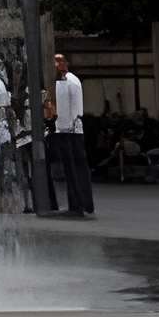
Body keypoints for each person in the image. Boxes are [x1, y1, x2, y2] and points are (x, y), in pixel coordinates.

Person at [53, 49, 95, 217]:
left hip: (69, 131)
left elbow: (67, 108)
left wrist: (63, 127)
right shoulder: (71, 80)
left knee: (73, 169)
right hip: (73, 129)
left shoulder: (67, 81)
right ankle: (82, 203)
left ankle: (78, 204)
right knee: (76, 168)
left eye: (57, 63)